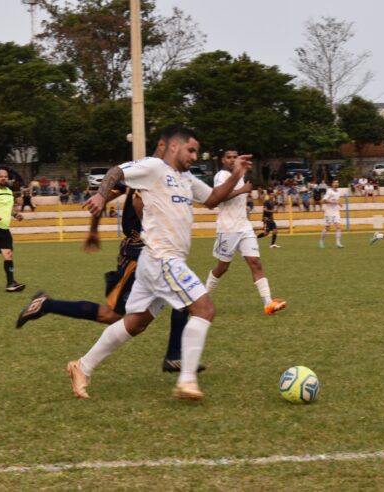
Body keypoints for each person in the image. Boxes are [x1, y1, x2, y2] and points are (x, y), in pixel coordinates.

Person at [63, 125, 253, 401]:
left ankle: (82, 366)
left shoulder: (186, 179)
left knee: (136, 323)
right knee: (205, 308)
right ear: (173, 147)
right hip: (162, 259)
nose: (194, 156)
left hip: (155, 263)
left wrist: (236, 174)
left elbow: (212, 199)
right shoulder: (153, 168)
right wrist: (102, 194)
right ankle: (187, 381)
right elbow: (117, 171)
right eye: (191, 150)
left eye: (196, 152)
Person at [17, 132, 206, 374]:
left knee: (178, 299)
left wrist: (94, 231)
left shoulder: (168, 175)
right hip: (139, 253)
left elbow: (104, 197)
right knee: (113, 315)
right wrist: (96, 230)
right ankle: (45, 305)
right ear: (164, 146)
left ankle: (174, 356)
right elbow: (106, 195)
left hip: (153, 253)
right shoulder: (145, 170)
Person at [205, 149, 287, 317]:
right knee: (222, 267)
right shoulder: (221, 175)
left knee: (255, 263)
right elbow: (218, 197)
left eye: (235, 157)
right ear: (223, 160)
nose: (232, 160)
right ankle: (204, 300)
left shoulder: (240, 176)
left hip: (244, 227)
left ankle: (268, 303)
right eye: (229, 157)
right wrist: (242, 190)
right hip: (227, 229)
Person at [319, 179, 344, 249]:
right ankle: (321, 241)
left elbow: (336, 200)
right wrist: (333, 202)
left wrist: (338, 203)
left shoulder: (338, 192)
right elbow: (323, 201)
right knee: (327, 228)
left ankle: (338, 243)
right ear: (332, 184)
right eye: (335, 182)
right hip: (329, 212)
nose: (337, 184)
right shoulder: (329, 191)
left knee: (338, 227)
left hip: (336, 211)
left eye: (337, 182)